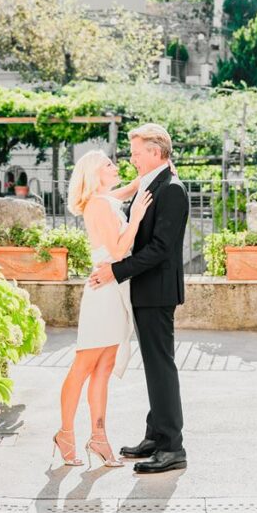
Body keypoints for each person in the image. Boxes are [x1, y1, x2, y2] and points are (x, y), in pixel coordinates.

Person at [89, 124, 189, 474]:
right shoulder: (154, 184)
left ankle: (173, 447)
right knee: (154, 365)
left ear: (157, 152)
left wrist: (116, 272)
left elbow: (161, 250)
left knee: (161, 366)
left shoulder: (172, 190)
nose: (131, 159)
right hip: (146, 289)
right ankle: (156, 435)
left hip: (157, 291)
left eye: (137, 152)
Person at [52, 149, 152, 469]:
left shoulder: (106, 198)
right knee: (84, 365)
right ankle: (65, 433)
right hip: (104, 290)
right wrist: (135, 219)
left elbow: (129, 188)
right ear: (96, 174)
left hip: (115, 289)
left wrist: (154, 167)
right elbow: (119, 249)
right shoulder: (97, 204)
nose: (115, 166)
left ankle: (98, 436)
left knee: (104, 369)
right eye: (109, 164)